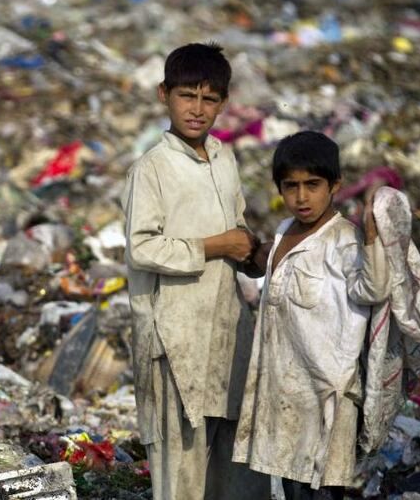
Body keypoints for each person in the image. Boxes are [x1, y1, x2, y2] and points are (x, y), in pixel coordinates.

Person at [121, 43, 271, 500]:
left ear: (223, 103)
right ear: (164, 94)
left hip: (224, 328)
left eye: (209, 99)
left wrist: (254, 252)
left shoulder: (224, 160)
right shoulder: (152, 168)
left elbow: (236, 229)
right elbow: (142, 246)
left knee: (234, 460)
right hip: (172, 335)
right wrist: (217, 245)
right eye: (187, 96)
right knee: (181, 465)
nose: (197, 109)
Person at [233, 131, 391, 499]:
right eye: (291, 186)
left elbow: (374, 290)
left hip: (327, 396)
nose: (301, 197)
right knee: (292, 486)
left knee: (321, 489)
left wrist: (372, 239)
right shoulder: (284, 232)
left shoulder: (346, 241)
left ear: (335, 185)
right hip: (284, 390)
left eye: (313, 185)